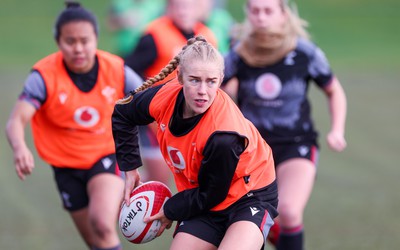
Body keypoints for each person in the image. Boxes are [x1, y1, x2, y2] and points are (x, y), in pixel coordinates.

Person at [112, 36, 278, 250]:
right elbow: (122, 114)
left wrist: (171, 209)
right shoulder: (164, 98)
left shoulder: (224, 134)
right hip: (202, 194)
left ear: (220, 79)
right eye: (194, 80)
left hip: (249, 196)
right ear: (179, 76)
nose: (202, 91)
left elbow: (212, 193)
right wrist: (130, 168)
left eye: (211, 82)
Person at [5, 2, 143, 249]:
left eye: (85, 40)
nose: (78, 48)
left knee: (101, 224)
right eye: (70, 41)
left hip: (106, 154)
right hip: (65, 165)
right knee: (95, 240)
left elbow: (150, 102)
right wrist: (19, 148)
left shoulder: (116, 69)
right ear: (58, 42)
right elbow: (16, 119)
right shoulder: (44, 76)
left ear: (96, 39)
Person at [222, 0, 348, 249]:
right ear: (248, 14)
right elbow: (212, 87)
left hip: (296, 144)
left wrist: (337, 129)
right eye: (255, 11)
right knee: (247, 217)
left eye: (268, 10)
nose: (261, 17)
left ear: (283, 14)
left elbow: (334, 91)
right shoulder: (239, 53)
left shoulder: (304, 52)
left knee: (289, 211)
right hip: (252, 150)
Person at [124, 0, 218, 187]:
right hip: (158, 117)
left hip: (195, 117)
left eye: (189, 6)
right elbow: (129, 70)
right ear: (169, 8)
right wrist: (145, 100)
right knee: (158, 181)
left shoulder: (207, 37)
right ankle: (129, 202)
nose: (184, 11)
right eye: (179, 6)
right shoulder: (155, 35)